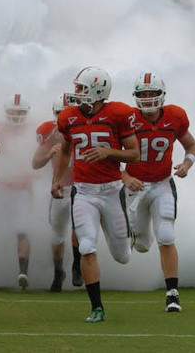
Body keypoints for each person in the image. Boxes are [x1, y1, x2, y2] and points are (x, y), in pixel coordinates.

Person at [52, 66, 140, 322]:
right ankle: (97, 307)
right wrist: (58, 179)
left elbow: (135, 153)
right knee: (87, 246)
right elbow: (66, 151)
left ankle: (130, 233)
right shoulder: (68, 116)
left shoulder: (119, 114)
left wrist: (108, 152)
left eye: (81, 88)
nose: (77, 92)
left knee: (122, 256)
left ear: (98, 90)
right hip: (84, 192)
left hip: (113, 191)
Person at [122, 72, 195, 313]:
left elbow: (191, 146)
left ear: (161, 95)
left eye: (151, 93)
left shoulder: (175, 116)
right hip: (136, 187)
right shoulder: (127, 119)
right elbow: (111, 158)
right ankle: (134, 235)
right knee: (143, 245)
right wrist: (126, 177)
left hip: (163, 183)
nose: (146, 98)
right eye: (142, 94)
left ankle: (172, 293)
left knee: (166, 235)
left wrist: (186, 165)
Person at [32, 94, 83, 292]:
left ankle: (77, 265)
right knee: (57, 236)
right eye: (60, 113)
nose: (64, 117)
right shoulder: (49, 131)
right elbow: (35, 163)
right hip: (60, 187)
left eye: (67, 113)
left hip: (82, 187)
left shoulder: (85, 129)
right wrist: (48, 154)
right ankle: (58, 271)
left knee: (79, 228)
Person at [0, 93, 37, 290]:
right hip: (1, 188)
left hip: (23, 190)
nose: (16, 116)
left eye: (20, 112)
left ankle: (22, 271)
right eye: (13, 112)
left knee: (22, 229)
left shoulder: (35, 131)